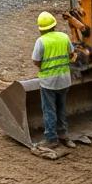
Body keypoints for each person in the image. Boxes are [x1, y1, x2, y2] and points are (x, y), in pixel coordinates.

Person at [32, 11, 75, 150]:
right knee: (62, 108)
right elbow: (71, 54)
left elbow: (36, 61)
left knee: (49, 110)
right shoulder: (64, 37)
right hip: (64, 80)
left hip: (48, 82)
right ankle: (63, 135)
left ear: (40, 29)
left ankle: (51, 139)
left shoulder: (41, 41)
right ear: (54, 25)